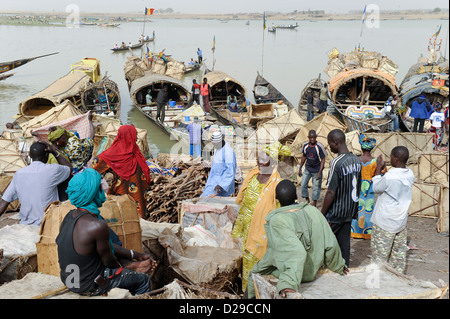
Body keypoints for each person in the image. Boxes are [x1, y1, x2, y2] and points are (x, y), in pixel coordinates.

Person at [56, 168, 157, 296]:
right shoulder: (96, 225)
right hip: (89, 285)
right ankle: (129, 268)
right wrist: (129, 267)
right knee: (143, 280)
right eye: (99, 189)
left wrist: (135, 254)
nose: (103, 192)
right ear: (91, 193)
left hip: (70, 280)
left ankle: (129, 266)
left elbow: (105, 247)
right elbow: (109, 262)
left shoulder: (70, 216)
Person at [246, 180, 348, 299]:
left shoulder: (277, 220)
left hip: (293, 276)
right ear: (296, 196)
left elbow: (296, 252)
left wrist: (288, 283)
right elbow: (331, 244)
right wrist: (339, 266)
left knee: (253, 274)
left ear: (276, 199)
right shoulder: (313, 211)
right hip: (312, 270)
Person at [232, 142, 290, 291]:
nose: (259, 163)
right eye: (258, 160)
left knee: (257, 268)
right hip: (246, 231)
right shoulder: (252, 176)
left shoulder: (277, 185)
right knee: (245, 266)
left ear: (273, 163)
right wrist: (237, 226)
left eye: (264, 161)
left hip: (261, 235)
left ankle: (256, 294)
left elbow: (281, 213)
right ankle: (246, 293)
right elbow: (244, 204)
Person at [0, 142, 72, 225]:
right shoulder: (52, 170)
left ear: (30, 156)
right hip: (47, 225)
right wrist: (55, 152)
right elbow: (69, 168)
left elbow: (4, 203)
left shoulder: (19, 174)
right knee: (67, 179)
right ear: (47, 155)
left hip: (25, 224)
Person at [370, 146, 415, 274]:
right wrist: (385, 172)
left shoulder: (390, 177)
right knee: (397, 258)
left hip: (385, 222)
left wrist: (378, 168)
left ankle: (376, 285)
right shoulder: (410, 174)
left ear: (395, 159)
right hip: (400, 222)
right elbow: (393, 183)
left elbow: (377, 187)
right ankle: (396, 283)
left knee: (379, 257)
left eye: (391, 157)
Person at [321, 129, 362, 266]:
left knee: (323, 240)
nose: (330, 147)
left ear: (335, 142)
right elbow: (359, 186)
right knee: (344, 242)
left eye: (330, 144)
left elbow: (331, 192)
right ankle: (344, 267)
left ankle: (324, 269)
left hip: (336, 212)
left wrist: (322, 213)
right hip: (350, 210)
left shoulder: (336, 163)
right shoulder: (356, 160)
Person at [92, 125, 151, 218]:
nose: (135, 138)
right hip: (133, 195)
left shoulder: (131, 152)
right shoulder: (134, 154)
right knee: (134, 219)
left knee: (123, 218)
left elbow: (95, 165)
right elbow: (95, 168)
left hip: (126, 195)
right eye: (134, 135)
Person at [351, 134, 378, 240]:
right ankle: (367, 232)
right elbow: (379, 175)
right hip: (370, 189)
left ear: (361, 147)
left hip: (357, 188)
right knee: (368, 210)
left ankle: (355, 231)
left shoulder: (356, 159)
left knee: (357, 208)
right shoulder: (376, 161)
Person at [200, 131, 236, 197]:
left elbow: (230, 172)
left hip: (221, 186)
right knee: (202, 198)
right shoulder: (217, 148)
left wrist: (222, 185)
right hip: (212, 182)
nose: (213, 146)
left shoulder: (228, 152)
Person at [298, 130, 327, 207]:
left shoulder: (319, 147)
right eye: (311, 137)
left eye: (314, 137)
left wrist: (320, 172)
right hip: (308, 169)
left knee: (316, 188)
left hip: (316, 171)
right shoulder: (305, 146)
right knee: (303, 185)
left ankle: (314, 204)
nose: (312, 139)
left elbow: (323, 159)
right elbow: (304, 157)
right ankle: (307, 201)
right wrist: (300, 168)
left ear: (316, 137)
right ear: (308, 137)